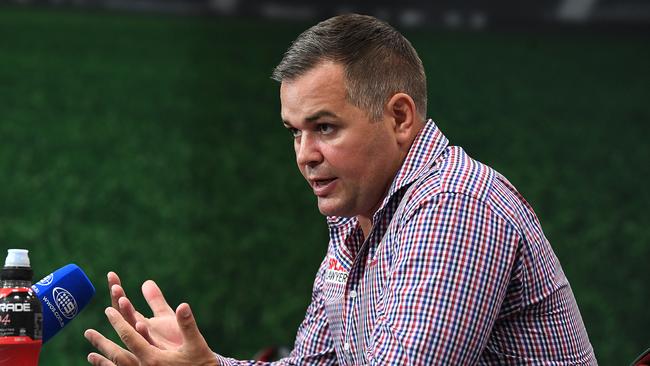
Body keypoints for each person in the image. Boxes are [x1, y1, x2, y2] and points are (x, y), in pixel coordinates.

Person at [84, 14, 597, 365]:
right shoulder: (357, 217)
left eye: (325, 127)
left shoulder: (452, 204)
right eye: (294, 132)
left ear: (399, 117)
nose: (305, 154)